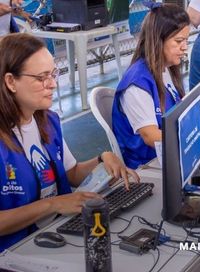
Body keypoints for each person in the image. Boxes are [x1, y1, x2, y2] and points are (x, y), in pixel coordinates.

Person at [0, 33, 139, 251]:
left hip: (59, 232)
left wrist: (102, 160)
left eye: (54, 74)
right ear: (10, 81)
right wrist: (52, 204)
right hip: (17, 250)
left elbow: (71, 173)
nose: (53, 84)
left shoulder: (48, 121)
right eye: (41, 77)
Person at [112, 2, 200, 170]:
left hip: (170, 154)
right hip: (148, 165)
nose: (184, 47)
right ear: (157, 40)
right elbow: (150, 136)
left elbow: (173, 113)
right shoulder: (137, 85)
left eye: (186, 40)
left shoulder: (165, 68)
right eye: (178, 41)